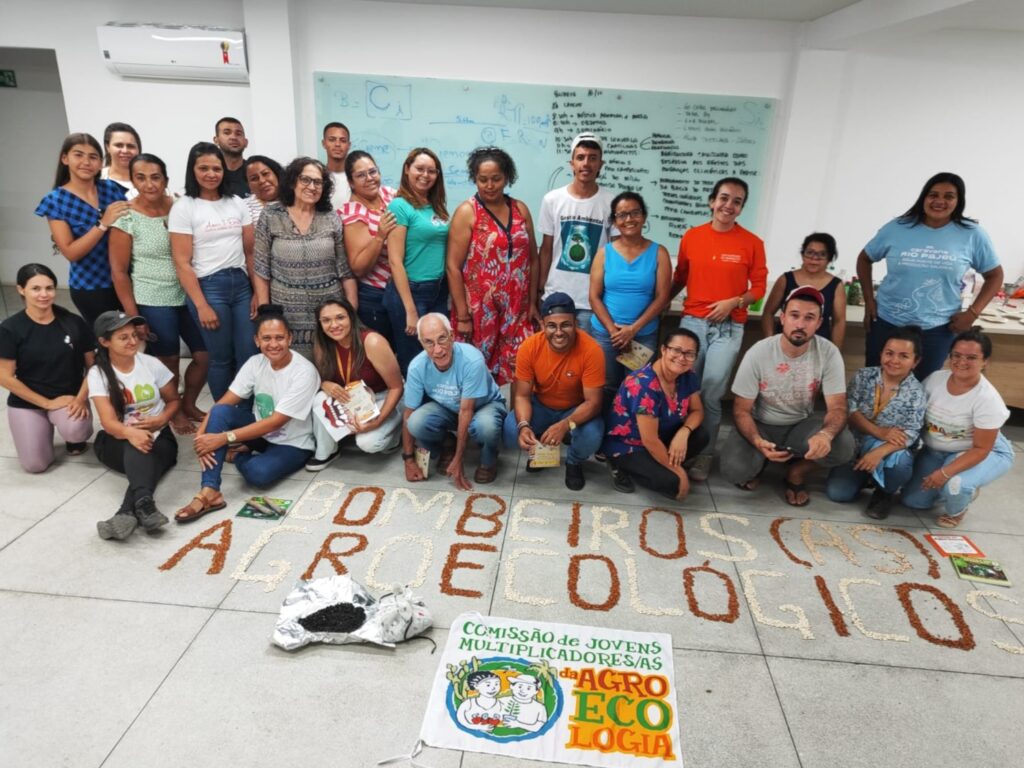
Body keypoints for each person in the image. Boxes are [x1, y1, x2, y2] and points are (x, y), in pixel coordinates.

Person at [175, 306, 320, 523]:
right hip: (260, 434)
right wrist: (201, 438)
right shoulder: (255, 363)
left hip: (294, 442)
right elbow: (224, 403)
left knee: (258, 474)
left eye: (279, 338)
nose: (273, 344)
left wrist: (224, 439)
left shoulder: (304, 371)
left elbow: (276, 421)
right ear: (256, 341)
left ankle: (237, 455)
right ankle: (209, 490)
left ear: (290, 338)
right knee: (221, 412)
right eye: (267, 338)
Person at [857, 172, 1003, 380]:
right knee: (875, 382)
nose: (939, 201)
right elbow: (864, 259)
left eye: (949, 196)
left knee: (923, 387)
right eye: (933, 194)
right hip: (887, 321)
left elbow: (995, 275)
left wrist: (972, 313)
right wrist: (869, 300)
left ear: (958, 201)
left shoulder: (972, 234)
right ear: (923, 197)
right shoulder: (898, 227)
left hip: (937, 328)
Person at [668, 176, 768, 482]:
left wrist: (734, 302)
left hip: (728, 327)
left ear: (741, 208)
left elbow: (760, 288)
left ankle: (704, 455)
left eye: (737, 201)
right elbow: (680, 277)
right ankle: (675, 447)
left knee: (710, 394)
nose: (729, 205)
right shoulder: (692, 237)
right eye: (724, 198)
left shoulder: (752, 243)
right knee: (680, 390)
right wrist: (660, 305)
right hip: (692, 326)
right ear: (712, 201)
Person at [721, 286, 855, 506]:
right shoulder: (759, 352)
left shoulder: (829, 352)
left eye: (809, 318)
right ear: (782, 318)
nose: (800, 324)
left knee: (844, 445)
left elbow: (838, 407)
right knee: (735, 471)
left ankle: (796, 471)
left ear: (819, 323)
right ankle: (763, 459)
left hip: (800, 426)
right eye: (794, 315)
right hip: (761, 424)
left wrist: (826, 435)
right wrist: (756, 441)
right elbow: (741, 410)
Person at [109, 153, 209, 435]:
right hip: (152, 298)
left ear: (165, 179)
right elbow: (118, 272)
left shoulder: (178, 207)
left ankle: (188, 403)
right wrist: (134, 315)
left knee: (205, 355)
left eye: (155, 177)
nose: (149, 184)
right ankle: (173, 411)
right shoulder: (125, 217)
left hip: (187, 293)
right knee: (169, 361)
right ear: (132, 180)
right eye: (141, 177)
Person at [170, 141, 257, 401]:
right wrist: (201, 305)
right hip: (209, 288)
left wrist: (256, 292)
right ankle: (224, 415)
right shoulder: (185, 207)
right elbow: (182, 263)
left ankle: (248, 414)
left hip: (241, 285)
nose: (211, 174)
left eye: (216, 168)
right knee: (221, 358)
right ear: (192, 170)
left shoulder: (237, 203)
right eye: (204, 168)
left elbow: (250, 252)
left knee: (249, 355)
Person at [902, 328, 1015, 528]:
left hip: (982, 451)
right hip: (936, 451)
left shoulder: (987, 398)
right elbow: (916, 418)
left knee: (956, 485)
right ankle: (954, 488)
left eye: (971, 357)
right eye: (957, 355)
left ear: (985, 361)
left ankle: (959, 504)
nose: (962, 362)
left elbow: (982, 449)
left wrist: (944, 474)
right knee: (913, 501)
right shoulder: (935, 379)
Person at [447, 146, 538, 385]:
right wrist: (463, 315)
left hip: (517, 308)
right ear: (474, 179)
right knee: (478, 368)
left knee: (518, 366)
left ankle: (510, 418)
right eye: (482, 179)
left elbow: (533, 259)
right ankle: (478, 419)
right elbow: (452, 267)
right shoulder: (468, 212)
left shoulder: (520, 209)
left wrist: (533, 301)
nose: (489, 185)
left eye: (496, 179)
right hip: (480, 310)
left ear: (507, 177)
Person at [88, 311, 179, 540]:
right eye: (123, 337)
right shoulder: (98, 373)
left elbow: (174, 401)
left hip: (160, 436)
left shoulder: (150, 364)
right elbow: (108, 423)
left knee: (150, 451)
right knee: (139, 447)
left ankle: (127, 511)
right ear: (104, 342)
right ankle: (144, 507)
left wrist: (162, 419)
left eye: (134, 335)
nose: (132, 341)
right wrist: (131, 433)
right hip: (117, 440)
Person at [252, 156, 356, 358]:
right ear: (292, 182)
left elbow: (345, 270)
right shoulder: (271, 216)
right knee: (293, 372)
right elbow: (261, 268)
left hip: (328, 314)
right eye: (305, 180)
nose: (313, 186)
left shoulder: (331, 217)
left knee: (330, 368)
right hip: (287, 311)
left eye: (318, 182)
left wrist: (350, 311)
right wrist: (267, 313)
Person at [503, 292, 604, 490]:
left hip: (575, 409)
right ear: (543, 325)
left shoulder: (591, 350)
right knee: (510, 430)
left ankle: (574, 461)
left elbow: (594, 403)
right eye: (552, 326)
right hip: (541, 405)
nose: (559, 332)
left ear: (575, 323)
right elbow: (522, 395)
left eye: (565, 324)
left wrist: (565, 425)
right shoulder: (529, 347)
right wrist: (524, 426)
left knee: (592, 435)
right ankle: (540, 451)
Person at [0, 264, 94, 473]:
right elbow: (4, 377)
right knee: (35, 466)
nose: (44, 294)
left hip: (68, 398)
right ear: (20, 289)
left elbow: (94, 366)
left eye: (49, 288)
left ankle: (72, 438)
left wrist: (80, 398)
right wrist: (46, 403)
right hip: (28, 401)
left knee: (75, 430)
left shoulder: (73, 322)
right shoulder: (10, 328)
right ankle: (40, 431)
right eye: (36, 289)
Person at [825, 328, 926, 519]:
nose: (894, 360)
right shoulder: (864, 376)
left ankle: (884, 492)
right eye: (889, 353)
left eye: (903, 356)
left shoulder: (917, 392)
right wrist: (879, 432)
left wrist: (877, 452)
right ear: (881, 354)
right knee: (838, 494)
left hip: (888, 449)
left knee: (901, 463)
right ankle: (865, 476)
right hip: (855, 442)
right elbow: (849, 410)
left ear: (916, 361)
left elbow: (911, 434)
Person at [589, 191, 672, 418]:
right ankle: (604, 439)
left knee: (636, 388)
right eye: (622, 215)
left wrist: (632, 330)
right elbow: (594, 297)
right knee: (605, 387)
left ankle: (628, 440)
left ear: (644, 217)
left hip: (642, 334)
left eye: (635, 213)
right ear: (614, 221)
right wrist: (613, 330)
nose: (629, 219)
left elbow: (662, 298)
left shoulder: (659, 253)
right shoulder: (603, 254)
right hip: (607, 334)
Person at [401, 313, 507, 490]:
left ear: (452, 335)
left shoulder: (471, 359)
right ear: (421, 343)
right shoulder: (417, 366)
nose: (438, 350)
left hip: (484, 405)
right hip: (448, 407)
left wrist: (460, 459)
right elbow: (408, 413)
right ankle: (447, 444)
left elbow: (467, 410)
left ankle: (489, 458)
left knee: (486, 426)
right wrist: (408, 459)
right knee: (415, 422)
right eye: (429, 342)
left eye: (442, 339)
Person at [34, 132, 130, 327]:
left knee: (140, 337)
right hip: (92, 287)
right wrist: (103, 223)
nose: (86, 162)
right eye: (78, 155)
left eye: (93, 157)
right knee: (110, 343)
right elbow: (71, 252)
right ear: (65, 158)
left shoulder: (111, 189)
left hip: (128, 279)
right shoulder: (55, 201)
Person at [604, 329, 709, 501]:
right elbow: (650, 440)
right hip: (631, 445)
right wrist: (679, 472)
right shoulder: (644, 383)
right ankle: (619, 464)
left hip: (662, 435)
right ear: (664, 349)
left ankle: (663, 464)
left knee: (701, 435)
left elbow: (697, 411)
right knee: (673, 483)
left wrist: (684, 432)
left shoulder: (687, 376)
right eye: (676, 350)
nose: (682, 358)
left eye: (689, 354)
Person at [307, 298, 404, 470]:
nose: (334, 325)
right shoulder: (322, 343)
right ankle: (327, 451)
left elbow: (396, 387)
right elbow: (319, 378)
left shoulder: (372, 341)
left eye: (340, 318)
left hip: (384, 394)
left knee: (368, 443)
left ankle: (395, 433)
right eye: (326, 320)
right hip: (353, 397)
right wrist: (324, 384)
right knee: (319, 398)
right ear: (319, 324)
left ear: (351, 317)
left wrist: (378, 420)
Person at [537, 132, 616, 329]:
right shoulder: (552, 200)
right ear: (571, 163)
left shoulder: (611, 202)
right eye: (580, 157)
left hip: (594, 301)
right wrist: (539, 291)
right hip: (556, 297)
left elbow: (616, 254)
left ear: (600, 164)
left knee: (588, 359)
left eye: (592, 158)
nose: (586, 163)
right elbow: (546, 249)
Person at [385, 148, 451, 374]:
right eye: (419, 169)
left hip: (439, 290)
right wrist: (410, 310)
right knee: (415, 361)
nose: (425, 175)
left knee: (440, 356)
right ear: (407, 169)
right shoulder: (399, 206)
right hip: (411, 292)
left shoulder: (436, 205)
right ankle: (415, 408)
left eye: (432, 171)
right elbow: (395, 261)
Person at [342, 150, 399, 341]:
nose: (369, 178)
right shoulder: (352, 212)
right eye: (360, 175)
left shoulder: (390, 194)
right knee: (383, 353)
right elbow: (358, 268)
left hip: (402, 289)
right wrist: (380, 235)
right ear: (351, 182)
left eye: (373, 172)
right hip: (376, 296)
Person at [760, 233, 846, 348]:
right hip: (784, 345)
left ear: (829, 258)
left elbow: (839, 322)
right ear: (802, 254)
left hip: (818, 347)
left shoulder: (836, 285)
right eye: (810, 253)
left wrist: (835, 352)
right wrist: (770, 342)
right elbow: (768, 313)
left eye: (822, 254)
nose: (814, 259)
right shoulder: (785, 279)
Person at [100, 122, 141, 195]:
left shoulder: (150, 181)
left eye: (130, 146)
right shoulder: (96, 179)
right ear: (107, 147)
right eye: (119, 145)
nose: (125, 151)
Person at [213, 116, 250, 197]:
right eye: (227, 133)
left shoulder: (255, 173)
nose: (233, 137)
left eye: (238, 134)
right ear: (216, 140)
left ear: (246, 142)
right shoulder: (210, 175)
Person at [243, 155, 283, 224]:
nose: (262, 181)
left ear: (276, 174)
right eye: (254, 178)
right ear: (248, 185)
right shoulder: (244, 207)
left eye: (265, 174)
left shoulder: (296, 199)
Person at [322, 122, 352, 210]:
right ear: (324, 143)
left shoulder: (356, 177)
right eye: (332, 139)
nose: (337, 144)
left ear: (349, 145)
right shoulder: (318, 177)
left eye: (343, 140)